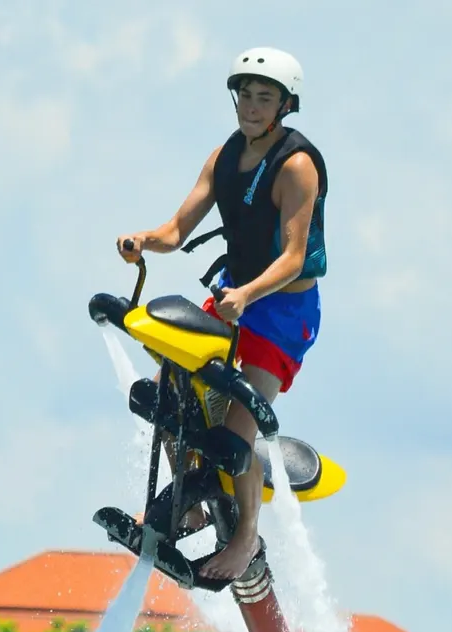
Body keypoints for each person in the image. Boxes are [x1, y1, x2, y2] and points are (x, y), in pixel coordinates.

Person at [116, 46, 328, 581]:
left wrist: (248, 294)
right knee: (169, 394)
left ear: (285, 105)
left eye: (265, 99)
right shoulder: (224, 157)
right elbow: (175, 231)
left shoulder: (297, 166)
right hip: (235, 297)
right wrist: (143, 240)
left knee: (234, 440)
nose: (251, 107)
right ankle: (186, 502)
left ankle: (245, 540)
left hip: (280, 311)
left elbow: (295, 258)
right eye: (245, 96)